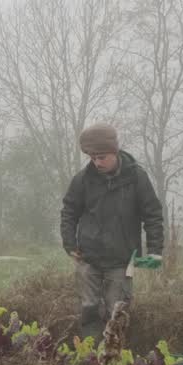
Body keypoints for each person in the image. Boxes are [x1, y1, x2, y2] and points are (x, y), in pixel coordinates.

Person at [59, 123, 164, 342]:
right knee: (89, 309)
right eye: (92, 157)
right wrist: (70, 244)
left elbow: (152, 214)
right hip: (88, 258)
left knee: (117, 312)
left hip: (121, 260)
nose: (97, 163)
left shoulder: (136, 177)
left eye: (102, 157)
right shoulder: (82, 180)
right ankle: (91, 356)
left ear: (114, 151)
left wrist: (155, 250)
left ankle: (113, 358)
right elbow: (69, 212)